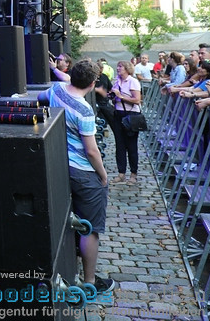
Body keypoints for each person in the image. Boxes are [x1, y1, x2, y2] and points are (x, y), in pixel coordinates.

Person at [39, 58, 116, 296]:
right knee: (90, 228)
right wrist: (103, 176)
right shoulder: (85, 110)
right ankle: (90, 282)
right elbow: (92, 151)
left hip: (58, 165)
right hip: (83, 172)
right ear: (93, 83)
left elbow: (41, 99)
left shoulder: (57, 90)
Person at [110, 60, 142, 183]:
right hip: (118, 114)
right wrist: (113, 96)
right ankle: (121, 173)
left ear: (127, 69)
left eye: (120, 67)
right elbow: (115, 98)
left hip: (131, 115)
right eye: (117, 66)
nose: (118, 69)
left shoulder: (133, 81)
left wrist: (121, 95)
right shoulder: (117, 81)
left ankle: (133, 174)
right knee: (120, 144)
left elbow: (137, 100)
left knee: (131, 145)